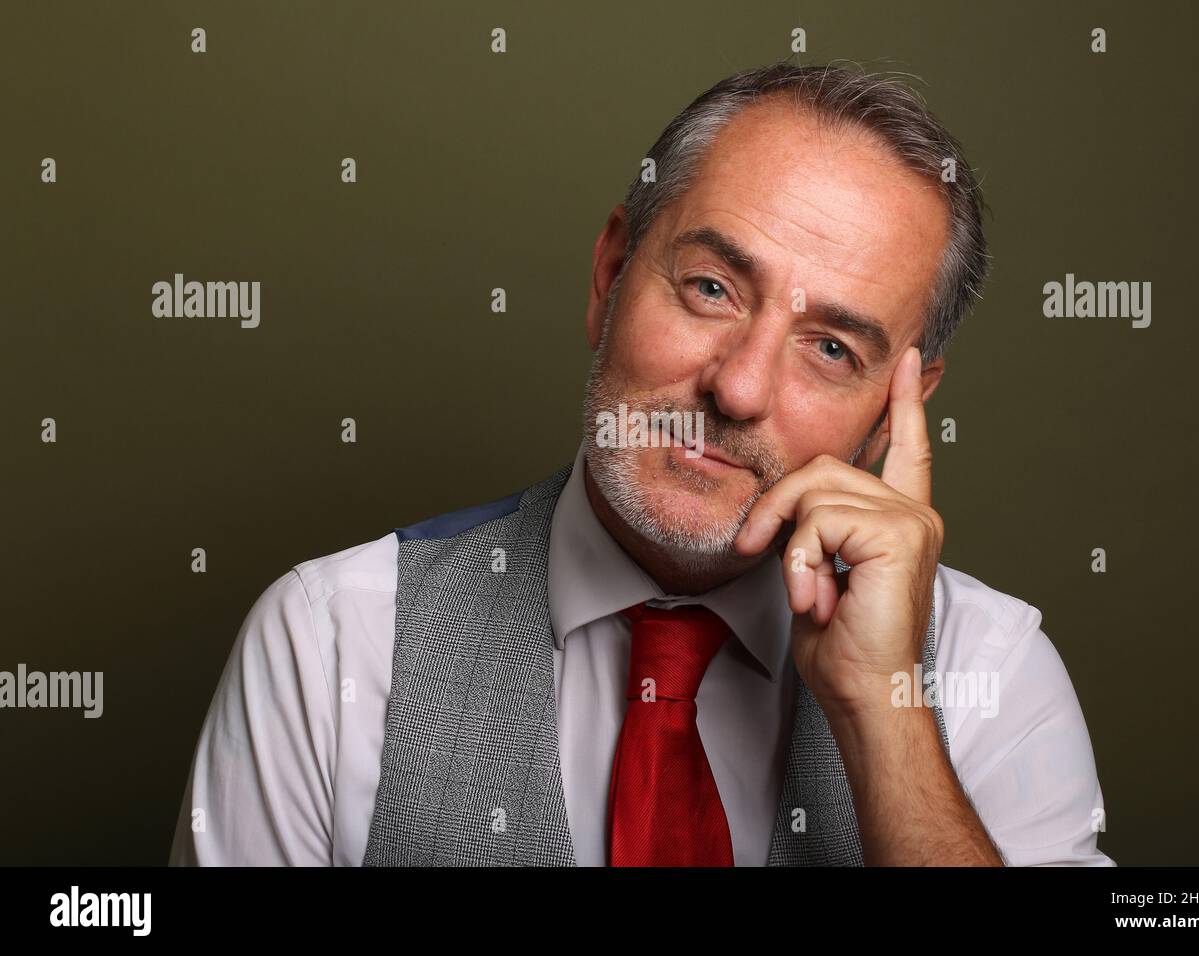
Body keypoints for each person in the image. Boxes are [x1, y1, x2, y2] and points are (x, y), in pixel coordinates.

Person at [170, 62, 1114, 867]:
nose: (739, 389)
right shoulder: (331, 642)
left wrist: (886, 716)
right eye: (710, 288)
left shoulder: (996, 676)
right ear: (610, 274)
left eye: (831, 349)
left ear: (898, 411)